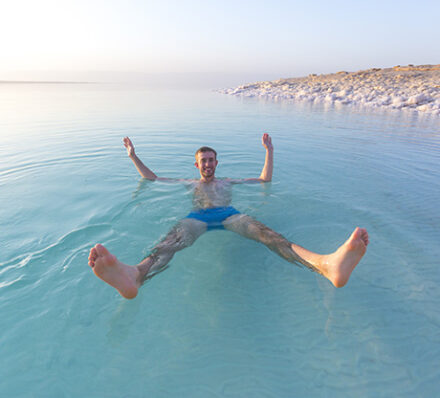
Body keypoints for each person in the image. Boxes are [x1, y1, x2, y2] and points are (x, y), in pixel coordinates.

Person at [88, 134, 369, 299]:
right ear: (196, 164)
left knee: (270, 236)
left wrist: (270, 152)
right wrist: (133, 156)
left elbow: (263, 180)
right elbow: (153, 179)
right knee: (170, 243)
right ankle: (135, 275)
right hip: (197, 218)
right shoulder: (190, 183)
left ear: (217, 163)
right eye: (203, 160)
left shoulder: (229, 182)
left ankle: (325, 264)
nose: (208, 164)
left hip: (229, 216)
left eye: (212, 160)